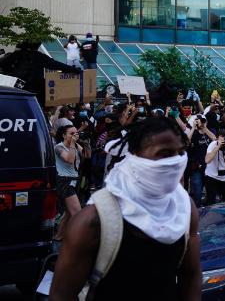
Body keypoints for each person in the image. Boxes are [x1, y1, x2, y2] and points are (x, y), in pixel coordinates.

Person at [50, 118, 201, 299]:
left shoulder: (184, 208)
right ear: (135, 153)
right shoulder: (93, 220)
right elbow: (61, 295)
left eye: (180, 152)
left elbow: (190, 274)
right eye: (165, 153)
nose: (175, 162)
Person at [0, 41, 82, 107]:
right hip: (33, 90)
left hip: (14, 88)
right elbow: (57, 65)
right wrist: (75, 70)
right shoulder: (39, 57)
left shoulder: (15, 55)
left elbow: (3, 65)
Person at [53, 125, 83, 243]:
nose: (74, 136)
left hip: (73, 180)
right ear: (64, 135)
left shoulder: (75, 146)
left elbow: (87, 155)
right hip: (64, 181)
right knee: (77, 213)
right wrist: (72, 145)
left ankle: (58, 237)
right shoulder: (58, 147)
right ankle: (77, 241)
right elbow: (69, 160)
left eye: (76, 133)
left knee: (68, 214)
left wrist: (80, 144)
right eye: (71, 133)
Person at [185, 114, 216, 207]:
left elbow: (215, 139)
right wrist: (194, 127)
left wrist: (204, 128)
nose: (201, 122)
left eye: (203, 120)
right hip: (197, 167)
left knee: (210, 191)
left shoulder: (210, 131)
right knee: (197, 191)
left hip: (209, 167)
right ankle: (196, 209)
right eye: (198, 120)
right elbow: (186, 142)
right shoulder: (193, 133)